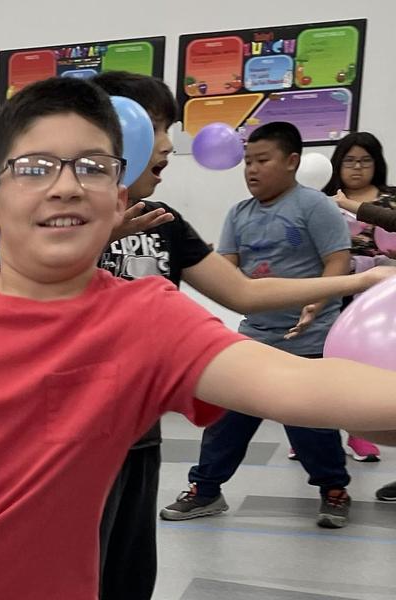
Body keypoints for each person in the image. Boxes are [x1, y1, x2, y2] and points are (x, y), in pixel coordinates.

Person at [0, 78, 396, 600]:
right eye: (35, 168)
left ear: (118, 201)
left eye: (92, 167)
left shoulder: (147, 318)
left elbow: (296, 382)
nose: (65, 184)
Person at [91, 72, 396, 600]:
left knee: (127, 575)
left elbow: (242, 292)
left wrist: (359, 281)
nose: (168, 146)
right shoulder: (53, 230)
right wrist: (87, 245)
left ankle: (324, 486)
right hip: (74, 438)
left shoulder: (163, 222)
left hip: (138, 433)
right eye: (158, 128)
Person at [160, 121, 355, 529]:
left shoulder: (314, 206)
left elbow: (338, 259)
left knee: (310, 424)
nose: (251, 169)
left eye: (262, 160)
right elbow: (228, 270)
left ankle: (334, 490)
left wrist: (317, 303)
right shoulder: (239, 213)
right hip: (255, 336)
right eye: (247, 161)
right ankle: (206, 490)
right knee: (227, 416)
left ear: (292, 161)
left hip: (309, 338)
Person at [324, 132, 396, 461]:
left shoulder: (390, 199)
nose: (357, 167)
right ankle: (314, 432)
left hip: (381, 296)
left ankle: (361, 431)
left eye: (365, 160)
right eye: (349, 160)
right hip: (333, 288)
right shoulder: (323, 201)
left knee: (368, 365)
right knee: (327, 362)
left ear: (376, 163)